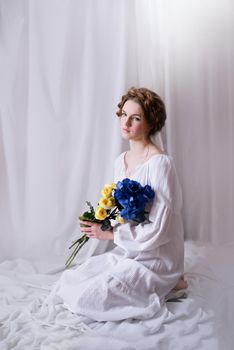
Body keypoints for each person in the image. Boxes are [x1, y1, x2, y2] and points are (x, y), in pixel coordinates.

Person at [47, 87, 187, 322]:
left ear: (151, 123)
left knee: (90, 298)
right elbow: (120, 209)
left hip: (156, 255)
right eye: (123, 115)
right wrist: (100, 222)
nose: (126, 122)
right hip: (130, 250)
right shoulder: (120, 161)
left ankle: (172, 279)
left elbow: (160, 228)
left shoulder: (160, 164)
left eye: (136, 118)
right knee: (74, 279)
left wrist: (111, 235)